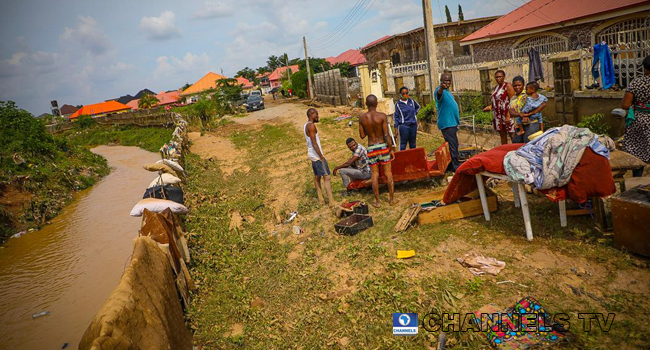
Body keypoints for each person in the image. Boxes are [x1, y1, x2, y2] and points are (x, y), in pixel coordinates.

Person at [359, 94, 395, 207]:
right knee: (388, 173)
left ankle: (378, 202)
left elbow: (362, 135)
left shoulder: (362, 118)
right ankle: (392, 200)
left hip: (371, 147)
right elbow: (386, 135)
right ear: (376, 104)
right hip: (382, 146)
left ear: (366, 104)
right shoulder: (382, 116)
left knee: (374, 174)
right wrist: (391, 148)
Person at [621, 55, 650, 177]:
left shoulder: (637, 82)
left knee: (637, 152)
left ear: (645, 68)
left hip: (640, 120)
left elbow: (625, 105)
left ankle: (637, 181)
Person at [304, 108, 335, 205]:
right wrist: (321, 156)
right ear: (311, 115)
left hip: (312, 154)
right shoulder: (311, 126)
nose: (318, 116)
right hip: (316, 155)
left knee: (317, 176)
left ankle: (321, 199)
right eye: (316, 114)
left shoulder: (306, 125)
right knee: (326, 177)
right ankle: (331, 201)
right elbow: (314, 143)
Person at [434, 73, 461, 172]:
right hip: (447, 123)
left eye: (449, 81)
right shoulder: (439, 90)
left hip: (452, 123)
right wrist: (441, 87)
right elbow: (439, 94)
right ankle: (455, 166)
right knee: (453, 145)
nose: (447, 83)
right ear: (441, 81)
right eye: (445, 81)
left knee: (452, 144)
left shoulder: (448, 92)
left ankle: (451, 164)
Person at [484, 70, 515, 144]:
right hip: (498, 115)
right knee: (502, 134)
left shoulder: (508, 86)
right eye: (496, 77)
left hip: (507, 113)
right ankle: (504, 150)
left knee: (512, 134)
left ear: (504, 77)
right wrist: (490, 106)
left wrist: (508, 115)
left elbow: (513, 101)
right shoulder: (496, 88)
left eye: (500, 77)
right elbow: (496, 101)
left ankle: (516, 150)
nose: (498, 79)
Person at [394, 86, 421, 151]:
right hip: (404, 126)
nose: (405, 95)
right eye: (403, 94)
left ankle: (412, 157)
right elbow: (396, 116)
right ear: (400, 94)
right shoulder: (398, 104)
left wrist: (414, 114)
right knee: (403, 144)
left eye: (407, 93)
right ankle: (403, 158)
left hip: (413, 125)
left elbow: (418, 107)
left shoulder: (411, 101)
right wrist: (396, 127)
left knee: (413, 143)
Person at [509, 76, 527, 143]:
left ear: (523, 85)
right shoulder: (513, 98)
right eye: (515, 86)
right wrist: (519, 114)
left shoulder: (527, 95)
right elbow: (511, 112)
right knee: (516, 145)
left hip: (528, 125)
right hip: (518, 126)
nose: (517, 87)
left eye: (519, 85)